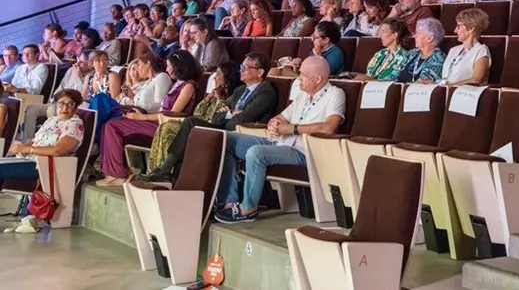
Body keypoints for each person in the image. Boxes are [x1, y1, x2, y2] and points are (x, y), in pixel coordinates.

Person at [213, 56, 345, 224]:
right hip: (281, 143)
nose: (298, 78)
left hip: (304, 150)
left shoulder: (335, 94)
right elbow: (281, 117)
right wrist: (274, 124)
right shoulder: (303, 95)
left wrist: (292, 129)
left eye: (303, 75)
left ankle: (248, 209)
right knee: (226, 139)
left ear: (317, 79)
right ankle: (229, 201)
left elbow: (329, 127)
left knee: (256, 153)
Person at [139, 58, 274, 180]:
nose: (241, 70)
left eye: (246, 67)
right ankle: (166, 172)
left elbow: (244, 117)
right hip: (221, 126)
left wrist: (226, 114)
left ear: (260, 72)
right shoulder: (240, 90)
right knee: (189, 125)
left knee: (190, 123)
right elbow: (216, 116)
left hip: (239, 134)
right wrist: (230, 113)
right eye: (241, 66)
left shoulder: (265, 91)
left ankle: (165, 171)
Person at [97, 50, 200, 186]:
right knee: (109, 123)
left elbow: (172, 113)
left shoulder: (189, 86)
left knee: (112, 125)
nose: (167, 69)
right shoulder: (178, 84)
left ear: (178, 66)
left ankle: (117, 174)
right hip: (156, 120)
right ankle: (113, 172)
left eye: (169, 66)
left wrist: (142, 117)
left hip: (165, 125)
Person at [4, 89, 86, 184]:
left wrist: (29, 149)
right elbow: (35, 140)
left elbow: (57, 150)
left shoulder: (75, 125)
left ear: (76, 107)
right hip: (29, 160)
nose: (64, 108)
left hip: (45, 166)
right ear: (55, 105)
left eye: (70, 104)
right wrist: (21, 147)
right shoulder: (52, 120)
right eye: (61, 103)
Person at [441, 8, 492, 85]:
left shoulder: (481, 50)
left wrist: (450, 86)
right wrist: (434, 82)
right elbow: (446, 79)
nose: (455, 30)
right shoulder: (453, 50)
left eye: (458, 26)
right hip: (448, 90)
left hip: (465, 91)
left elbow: (476, 80)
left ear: (471, 28)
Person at [397, 18, 447, 83]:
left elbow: (423, 83)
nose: (415, 36)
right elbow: (395, 74)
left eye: (418, 33)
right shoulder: (412, 53)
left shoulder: (438, 59)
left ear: (430, 38)